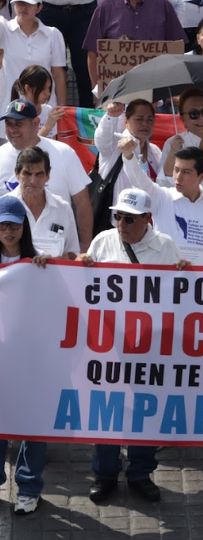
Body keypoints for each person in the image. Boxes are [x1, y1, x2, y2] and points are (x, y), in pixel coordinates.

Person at [78, 187, 187, 504]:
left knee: (145, 411)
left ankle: (140, 473)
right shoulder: (103, 241)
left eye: (129, 218)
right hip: (108, 344)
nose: (121, 224)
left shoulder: (165, 247)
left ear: (147, 220)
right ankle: (105, 474)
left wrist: (184, 274)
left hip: (148, 345)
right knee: (107, 411)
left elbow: (178, 294)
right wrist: (82, 264)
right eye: (118, 216)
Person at [0, 195, 51, 515]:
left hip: (32, 359)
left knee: (33, 425)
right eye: (2, 224)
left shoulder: (39, 264)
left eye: (13, 225)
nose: (7, 231)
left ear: (24, 228)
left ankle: (29, 487)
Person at [120, 140, 203, 265]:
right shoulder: (161, 197)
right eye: (176, 170)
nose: (178, 177)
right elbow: (139, 181)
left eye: (186, 172)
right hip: (164, 281)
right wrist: (129, 157)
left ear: (202, 177)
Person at [0, 100, 91, 249]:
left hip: (55, 251)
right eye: (9, 124)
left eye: (19, 124)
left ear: (35, 123)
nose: (13, 130)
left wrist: (86, 245)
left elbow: (82, 202)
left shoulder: (64, 153)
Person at [82, 0, 187, 93]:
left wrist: (171, 92)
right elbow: (93, 53)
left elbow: (176, 50)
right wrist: (99, 91)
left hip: (156, 95)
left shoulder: (163, 6)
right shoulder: (106, 7)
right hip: (115, 98)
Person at [2, 146, 78, 258]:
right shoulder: (2, 207)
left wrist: (52, 261)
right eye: (27, 174)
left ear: (47, 176)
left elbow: (73, 254)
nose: (33, 181)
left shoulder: (63, 208)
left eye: (39, 174)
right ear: (17, 174)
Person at [0, 0, 67, 127]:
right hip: (9, 111)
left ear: (39, 7)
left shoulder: (53, 34)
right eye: (19, 3)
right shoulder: (3, 28)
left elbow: (58, 75)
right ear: (12, 5)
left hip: (45, 112)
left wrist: (61, 109)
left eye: (29, 4)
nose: (23, 7)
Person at [94, 100, 163, 210]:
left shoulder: (155, 151)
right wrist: (110, 116)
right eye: (139, 119)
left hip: (149, 220)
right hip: (118, 220)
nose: (145, 124)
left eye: (149, 119)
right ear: (126, 121)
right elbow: (102, 139)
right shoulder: (115, 144)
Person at [37, 0, 97, 108]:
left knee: (86, 68)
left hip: (86, 10)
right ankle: (48, 116)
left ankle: (89, 119)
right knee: (49, 68)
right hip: (48, 10)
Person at [12, 65, 61, 138]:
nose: (48, 93)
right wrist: (47, 127)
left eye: (49, 88)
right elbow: (25, 146)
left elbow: (54, 143)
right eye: (43, 89)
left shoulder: (48, 110)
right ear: (27, 88)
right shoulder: (16, 112)